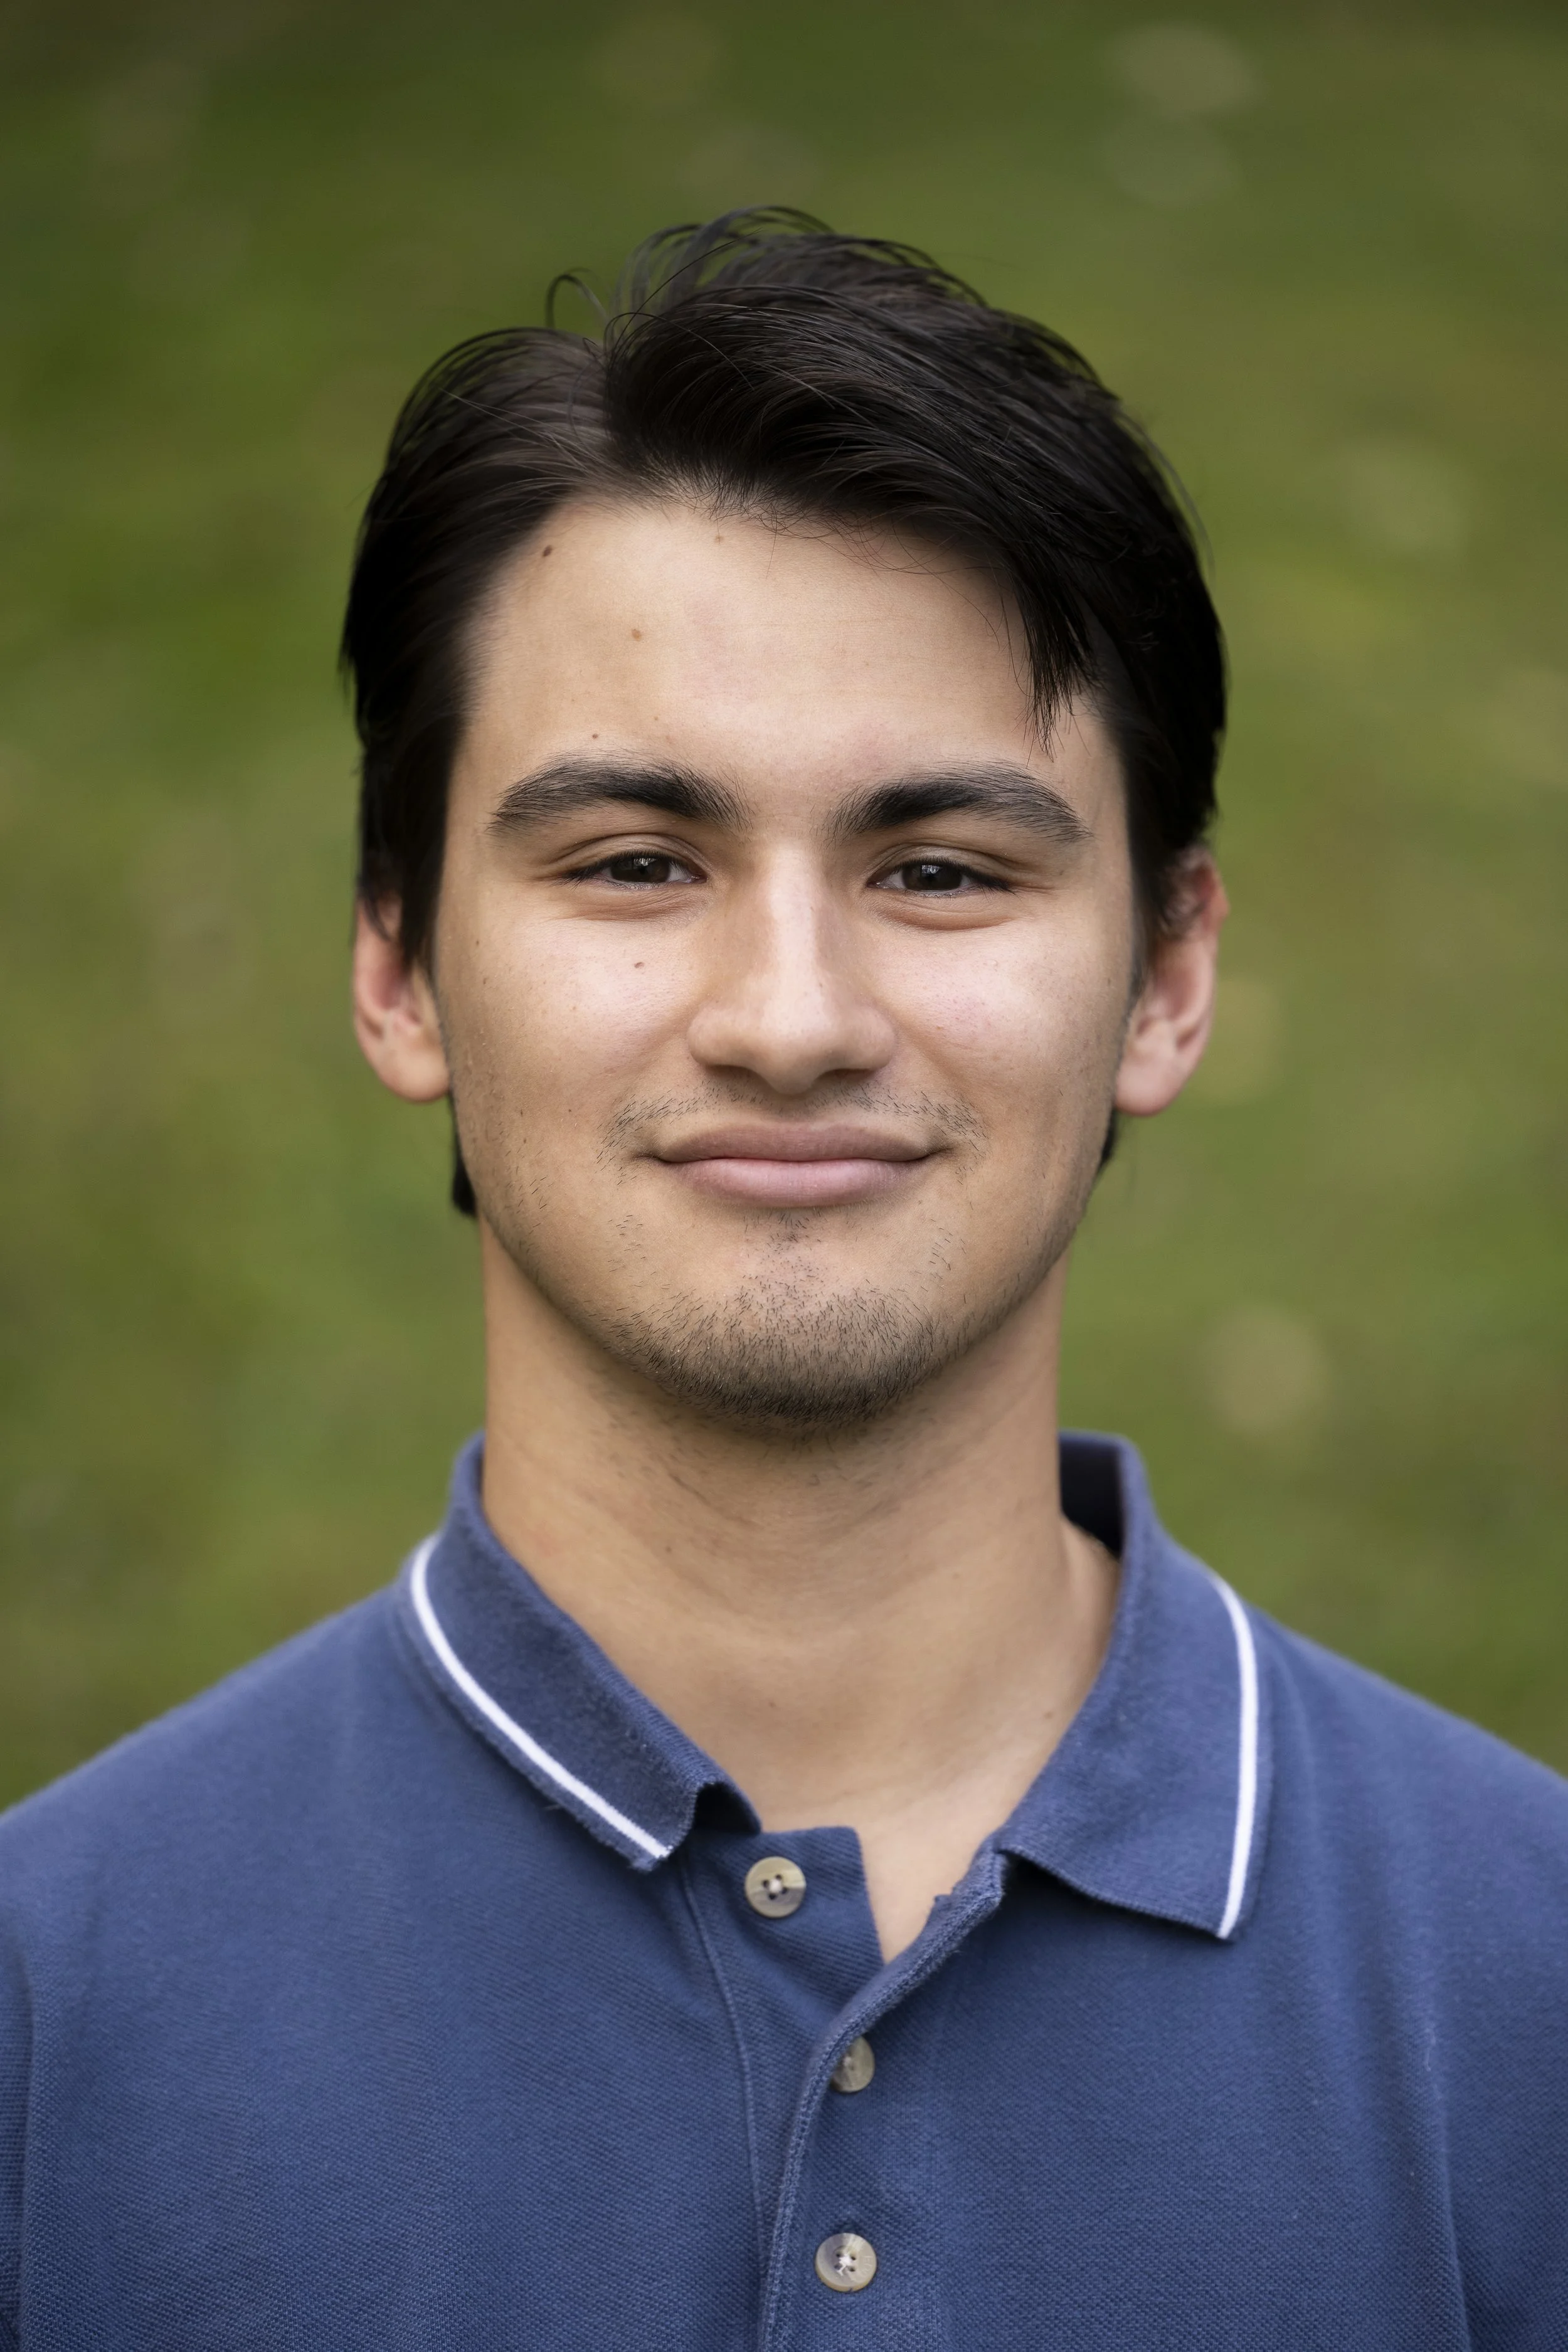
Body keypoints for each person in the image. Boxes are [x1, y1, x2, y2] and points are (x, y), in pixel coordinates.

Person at [1, 210, 1564, 2350]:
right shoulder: (39, 2007)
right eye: (636, 860)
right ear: (398, 966)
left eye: (939, 868)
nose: (791, 1013)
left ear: (1166, 975)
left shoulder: (1531, 1985)